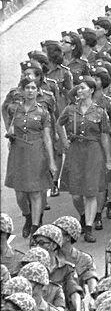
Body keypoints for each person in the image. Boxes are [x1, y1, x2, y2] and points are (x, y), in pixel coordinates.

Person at [57, 76, 111, 242]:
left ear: (91, 90)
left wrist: (108, 159)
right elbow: (59, 124)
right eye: (78, 88)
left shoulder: (100, 112)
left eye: (82, 87)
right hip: (75, 152)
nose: (79, 90)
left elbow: (104, 136)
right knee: (75, 194)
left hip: (93, 153)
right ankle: (82, 215)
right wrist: (64, 140)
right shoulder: (70, 109)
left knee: (90, 193)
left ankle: (88, 227)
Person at [3, 76, 57, 237]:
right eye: (27, 88)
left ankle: (35, 226)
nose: (30, 91)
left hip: (36, 152)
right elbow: (9, 122)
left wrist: (52, 161)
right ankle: (27, 216)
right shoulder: (15, 109)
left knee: (35, 191)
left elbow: (47, 138)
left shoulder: (43, 112)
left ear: (38, 91)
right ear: (22, 90)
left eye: (33, 88)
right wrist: (10, 132)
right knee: (20, 193)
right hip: (18, 153)